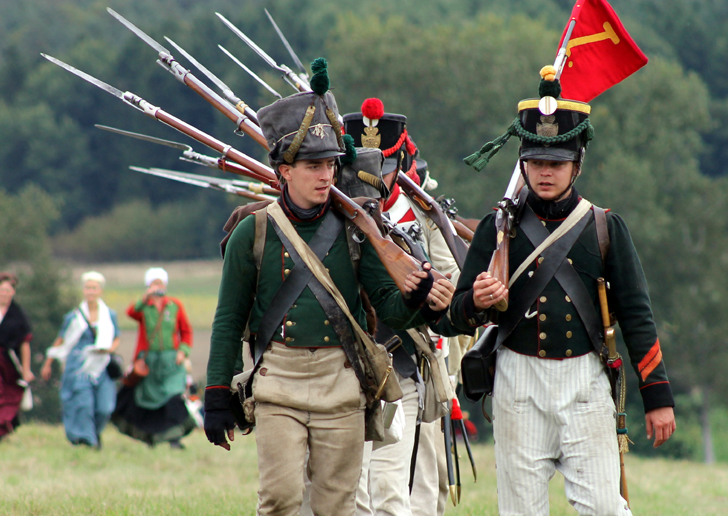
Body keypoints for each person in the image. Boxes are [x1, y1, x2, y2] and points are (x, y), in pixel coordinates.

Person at [203, 59, 452, 516]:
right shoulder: (253, 232)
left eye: (331, 165)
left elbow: (389, 307)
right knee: (280, 498)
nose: (326, 175)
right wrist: (217, 392)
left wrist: (417, 298)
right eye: (313, 165)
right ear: (284, 170)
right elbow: (228, 318)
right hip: (277, 382)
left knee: (337, 506)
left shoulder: (357, 231)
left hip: (342, 383)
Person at [448, 67, 676, 515]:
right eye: (536, 162)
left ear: (577, 163)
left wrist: (657, 395)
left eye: (556, 163)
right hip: (518, 381)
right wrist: (476, 300)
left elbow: (636, 315)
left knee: (604, 508)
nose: (545, 172)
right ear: (523, 164)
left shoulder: (604, 227)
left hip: (585, 383)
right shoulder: (496, 229)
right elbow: (450, 316)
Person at [343, 100, 464, 516]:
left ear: (401, 162)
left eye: (385, 165)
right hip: (349, 355)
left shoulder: (420, 212)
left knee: (412, 481)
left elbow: (453, 279)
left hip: (411, 351)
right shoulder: (334, 210)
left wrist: (428, 292)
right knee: (350, 486)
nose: (377, 175)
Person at [111, 267, 195, 448]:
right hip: (149, 362)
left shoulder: (174, 305)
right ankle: (151, 437)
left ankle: (174, 438)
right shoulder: (144, 307)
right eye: (154, 283)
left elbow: (186, 331)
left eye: (160, 283)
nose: (158, 287)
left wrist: (183, 351)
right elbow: (130, 312)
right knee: (148, 401)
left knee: (173, 397)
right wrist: (145, 298)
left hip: (171, 361)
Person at [41, 271, 120, 448]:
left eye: (94, 288)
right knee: (83, 405)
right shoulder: (73, 316)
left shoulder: (110, 315)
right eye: (87, 288)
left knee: (105, 407)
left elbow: (117, 337)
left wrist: (109, 349)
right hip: (78, 366)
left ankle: (94, 433)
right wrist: (48, 361)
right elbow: (61, 339)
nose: (90, 291)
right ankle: (87, 441)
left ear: (100, 290)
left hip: (101, 365)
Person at [0, 272, 33, 441]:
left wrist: (26, 370)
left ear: (13, 292)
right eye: (1, 290)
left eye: (7, 290)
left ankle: (5, 425)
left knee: (8, 395)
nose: (4, 294)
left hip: (8, 363)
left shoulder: (18, 315)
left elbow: (24, 343)